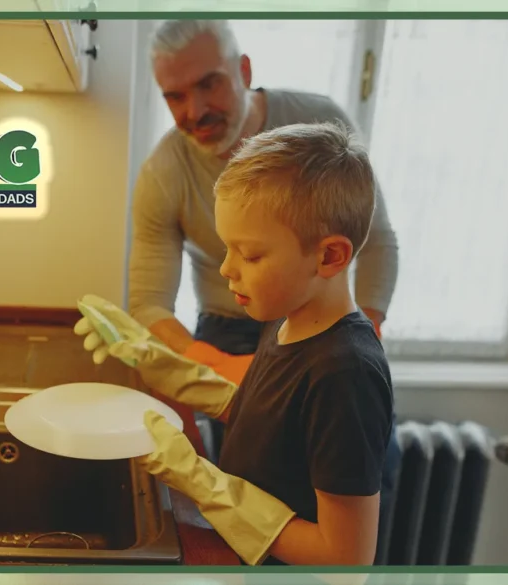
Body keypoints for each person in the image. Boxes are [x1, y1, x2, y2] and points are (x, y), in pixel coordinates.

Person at [76, 121, 394, 566]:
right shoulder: (286, 317)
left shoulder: (345, 374)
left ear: (329, 256)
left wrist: (202, 482)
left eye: (250, 254)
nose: (227, 269)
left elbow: (344, 561)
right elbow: (265, 418)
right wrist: (156, 362)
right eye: (227, 248)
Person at [126, 19, 399, 462]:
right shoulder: (164, 173)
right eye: (174, 96)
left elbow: (379, 242)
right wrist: (216, 366)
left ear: (245, 72)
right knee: (252, 465)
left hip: (325, 323)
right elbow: (148, 305)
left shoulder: (320, 126)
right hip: (226, 331)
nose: (194, 111)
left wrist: (361, 345)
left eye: (208, 84)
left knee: (367, 456)